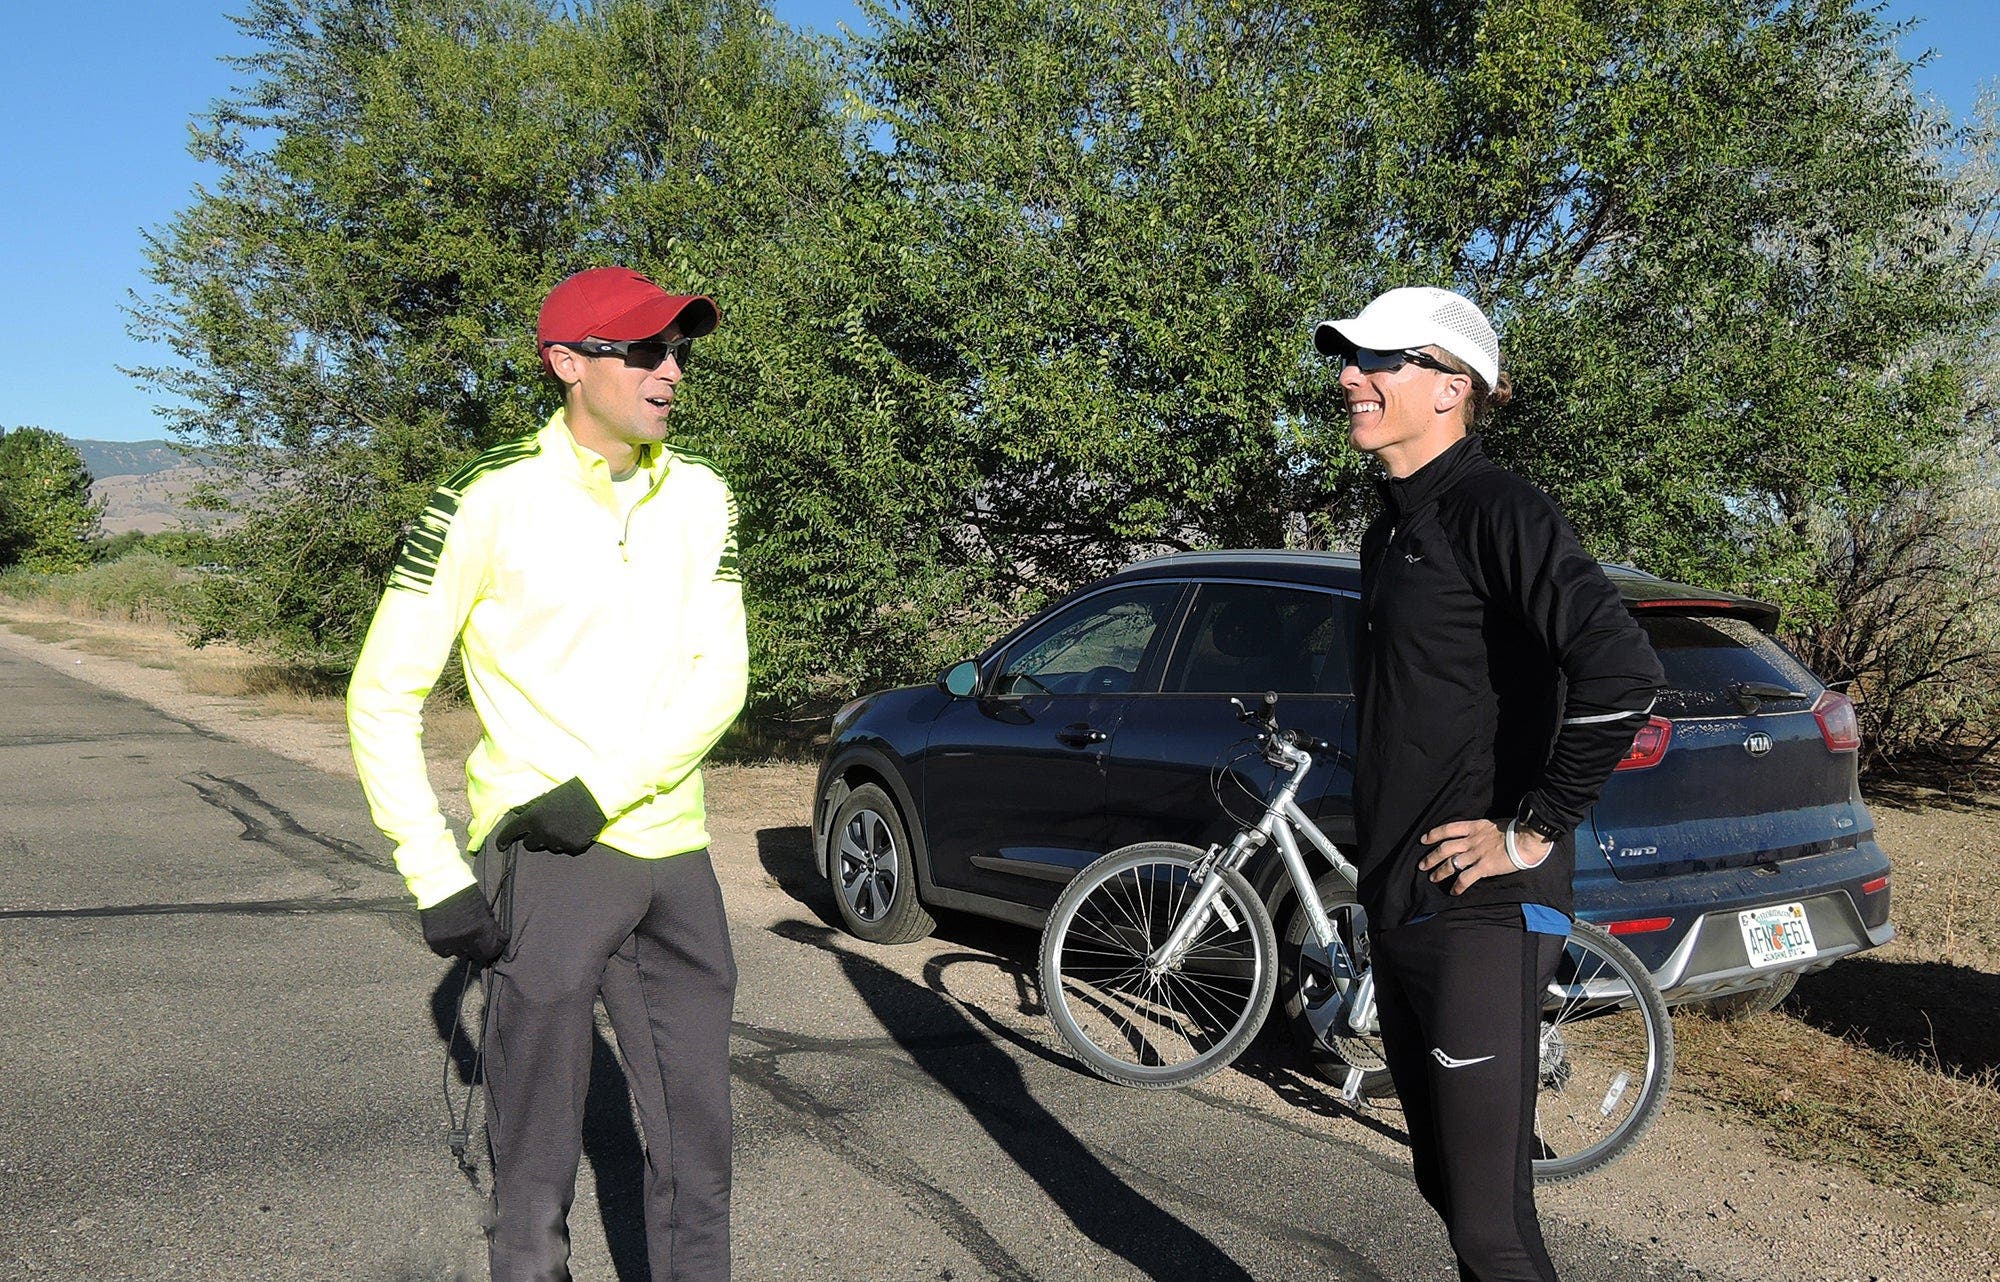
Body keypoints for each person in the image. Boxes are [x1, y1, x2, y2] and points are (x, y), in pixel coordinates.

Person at [347, 266, 748, 1282]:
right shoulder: (486, 498)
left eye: (678, 350)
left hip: (672, 853)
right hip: (550, 861)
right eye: (643, 350)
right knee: (531, 1169)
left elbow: (722, 677)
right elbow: (381, 695)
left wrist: (609, 787)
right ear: (568, 364)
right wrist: (433, 872)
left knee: (698, 1152)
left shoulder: (701, 494)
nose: (669, 371)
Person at [1314, 287, 1663, 1281]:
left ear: (1450, 386)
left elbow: (1620, 667)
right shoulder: (1391, 533)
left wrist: (1530, 829)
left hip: (1487, 909)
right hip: (1403, 901)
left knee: (1488, 1226)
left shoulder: (1496, 508)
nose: (1350, 377)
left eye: (1377, 360)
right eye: (1348, 359)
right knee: (1450, 1190)